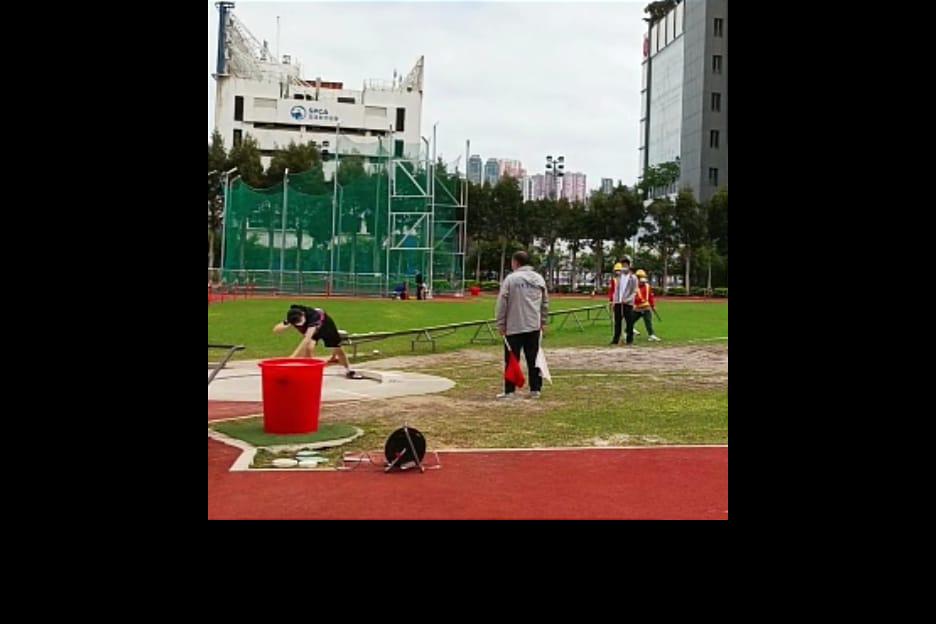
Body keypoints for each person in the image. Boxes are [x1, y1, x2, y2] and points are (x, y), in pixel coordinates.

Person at [495, 250, 549, 399]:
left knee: (512, 359)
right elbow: (545, 302)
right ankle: (535, 389)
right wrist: (543, 321)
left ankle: (510, 391)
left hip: (514, 326)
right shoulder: (539, 279)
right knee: (533, 358)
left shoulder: (511, 279)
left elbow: (502, 303)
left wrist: (501, 323)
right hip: (533, 326)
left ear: (516, 262)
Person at [273, 304, 362, 379]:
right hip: (311, 329)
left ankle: (349, 370)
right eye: (297, 324)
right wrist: (285, 325)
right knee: (309, 348)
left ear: (303, 315)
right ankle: (310, 371)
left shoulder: (313, 316)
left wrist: (292, 357)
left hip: (326, 326)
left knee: (337, 348)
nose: (299, 324)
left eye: (300, 321)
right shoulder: (294, 315)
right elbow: (275, 330)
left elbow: (306, 339)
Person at [608, 257, 639, 345]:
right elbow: (616, 290)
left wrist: (628, 300)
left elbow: (634, 291)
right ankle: (615, 339)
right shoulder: (619, 277)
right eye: (623, 265)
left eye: (625, 265)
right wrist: (614, 301)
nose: (624, 267)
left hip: (628, 303)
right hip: (618, 302)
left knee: (629, 322)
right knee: (617, 322)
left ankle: (629, 340)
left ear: (629, 266)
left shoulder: (633, 278)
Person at [632, 269, 661, 341]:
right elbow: (633, 298)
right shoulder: (633, 287)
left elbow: (650, 297)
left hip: (646, 308)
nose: (642, 282)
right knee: (631, 320)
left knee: (648, 322)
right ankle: (629, 330)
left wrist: (653, 305)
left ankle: (651, 335)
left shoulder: (647, 286)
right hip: (637, 308)